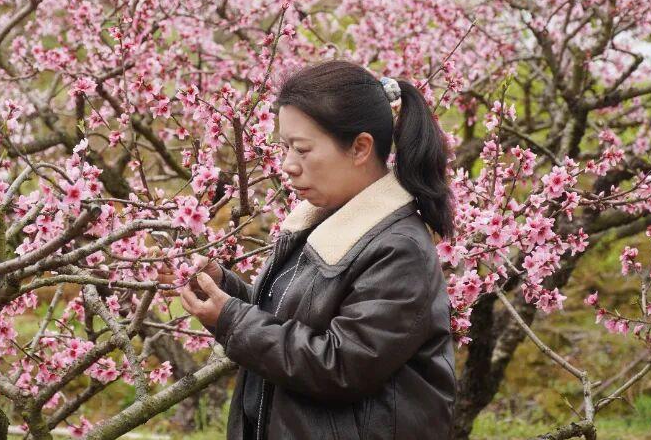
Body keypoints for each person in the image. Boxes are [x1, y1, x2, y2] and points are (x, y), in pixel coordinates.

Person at [157, 60, 457, 439]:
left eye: (302, 149)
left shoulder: (399, 248)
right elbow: (292, 321)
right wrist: (222, 289)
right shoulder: (318, 219)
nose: (287, 166)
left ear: (361, 148)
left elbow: (341, 364)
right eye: (284, 148)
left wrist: (231, 319)